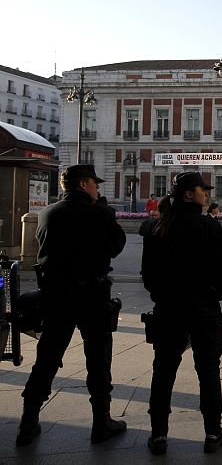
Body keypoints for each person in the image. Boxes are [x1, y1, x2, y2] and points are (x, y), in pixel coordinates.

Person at [16, 165, 127, 447]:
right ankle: (101, 422)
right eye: (94, 184)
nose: (97, 189)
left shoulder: (47, 213)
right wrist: (104, 214)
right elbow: (116, 245)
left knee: (47, 358)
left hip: (56, 297)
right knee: (98, 360)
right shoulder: (99, 213)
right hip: (92, 296)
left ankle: (28, 422)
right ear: (83, 184)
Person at [141, 172, 222, 455]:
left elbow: (148, 276)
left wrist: (164, 297)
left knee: (163, 371)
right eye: (202, 189)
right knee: (208, 370)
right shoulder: (207, 226)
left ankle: (158, 433)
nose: (206, 194)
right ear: (188, 193)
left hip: (169, 309)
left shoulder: (156, 227)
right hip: (203, 309)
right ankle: (212, 431)